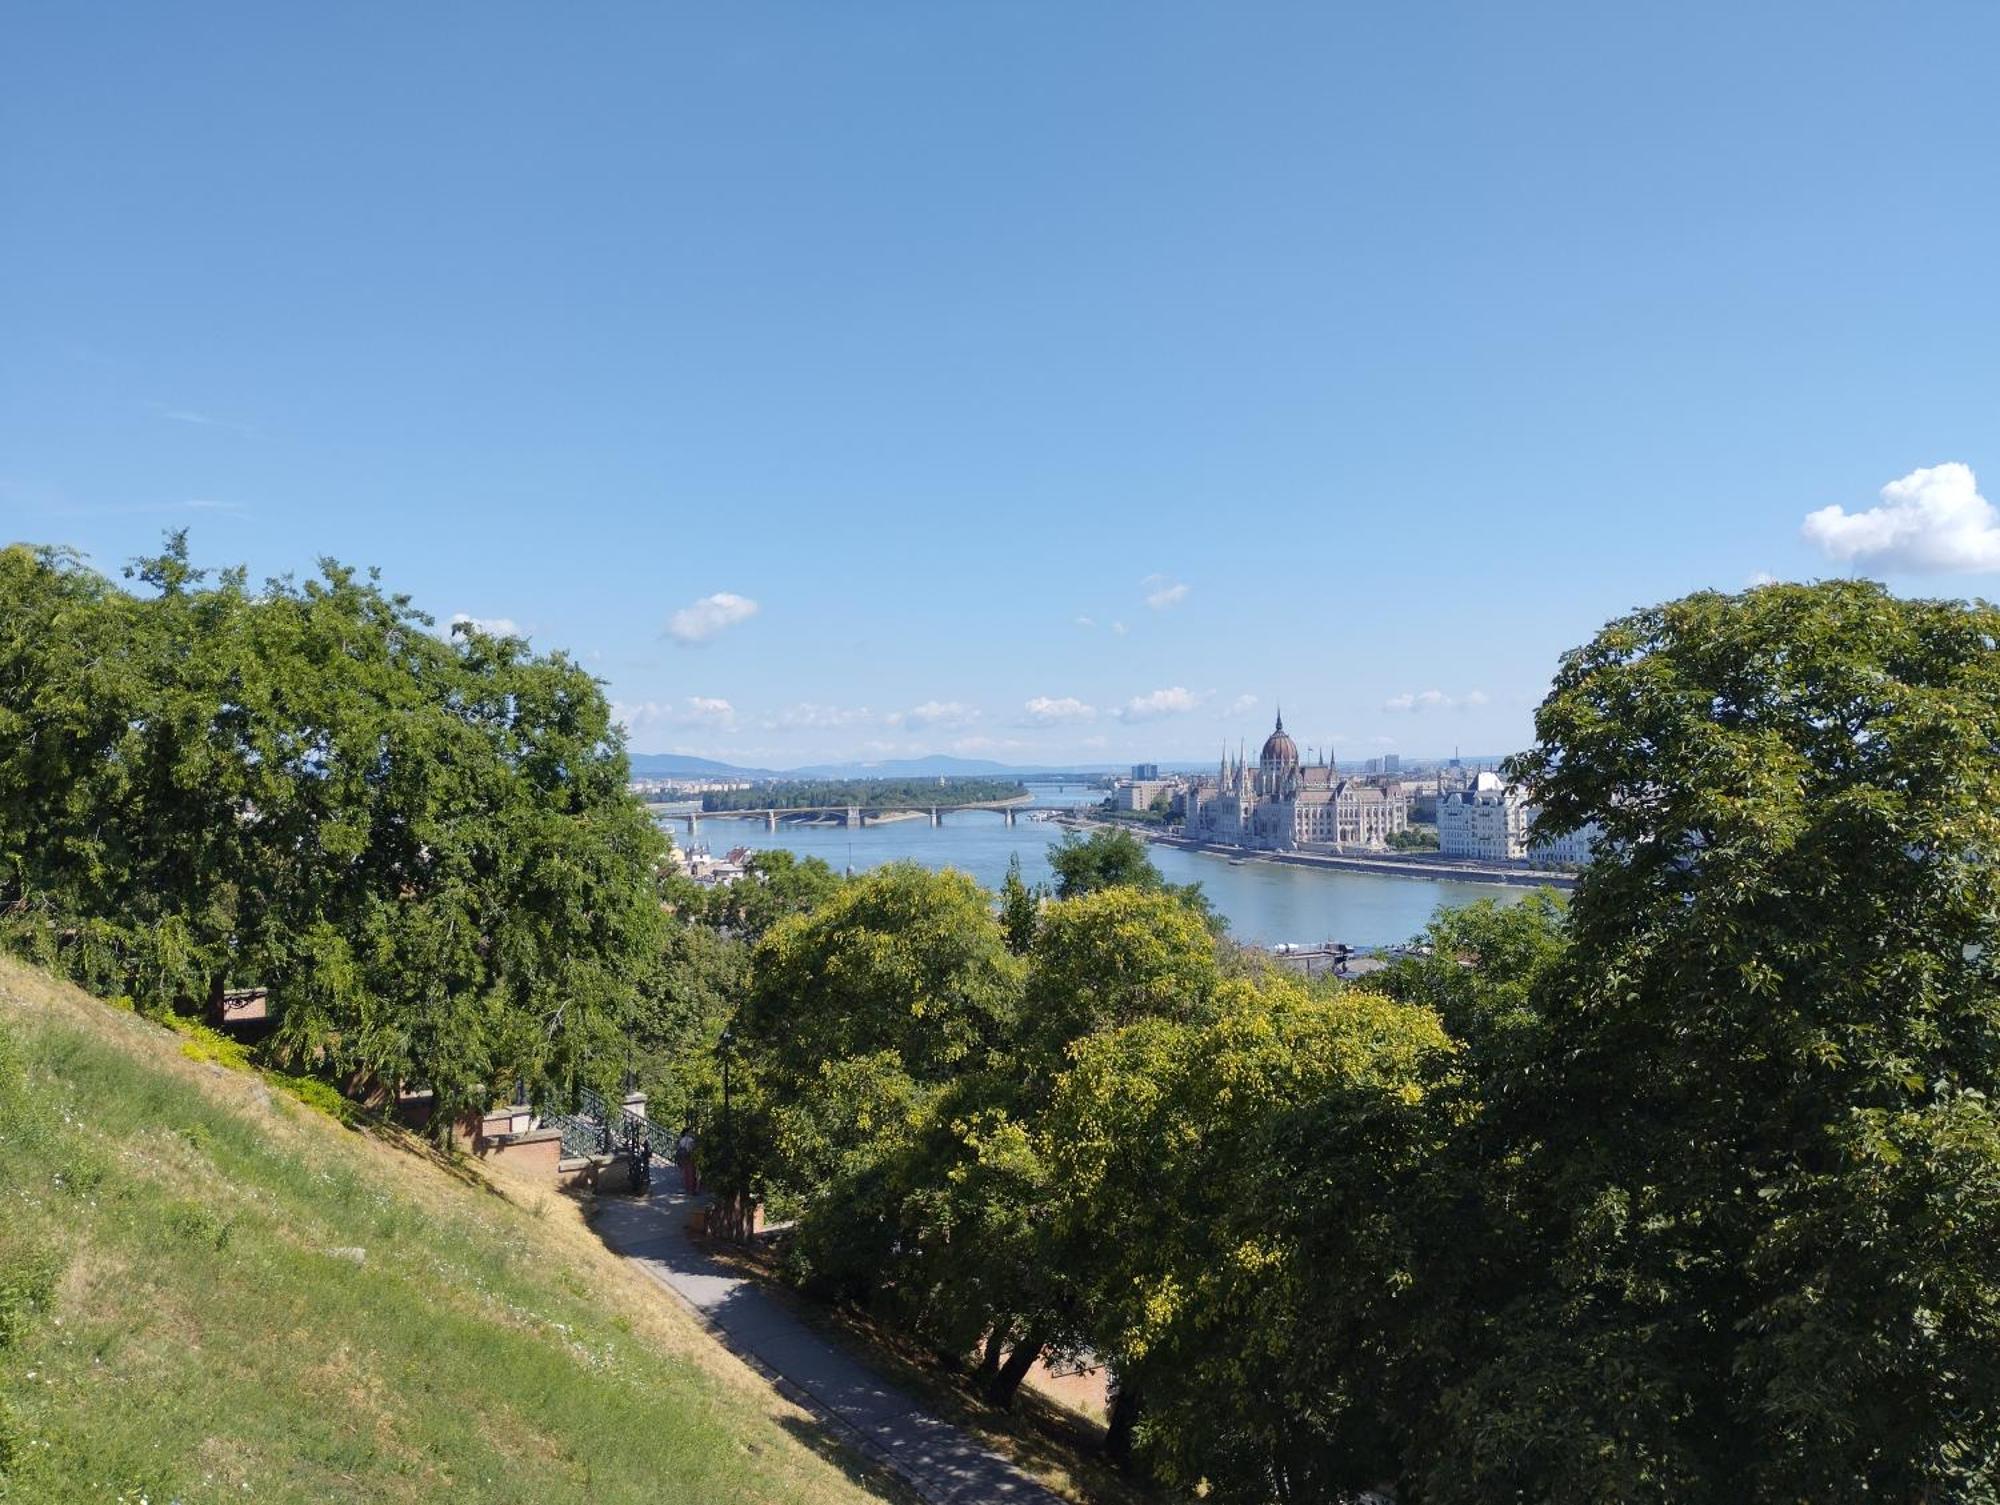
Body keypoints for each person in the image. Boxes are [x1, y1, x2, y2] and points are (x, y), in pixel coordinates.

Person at [674, 1126, 698, 1195]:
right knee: (691, 1172)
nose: (692, 1133)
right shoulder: (690, 1140)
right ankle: (691, 1188)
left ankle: (686, 1187)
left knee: (685, 1172)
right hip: (689, 1157)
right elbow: (691, 1148)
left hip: (682, 1157)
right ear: (687, 1132)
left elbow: (677, 1147)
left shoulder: (682, 1139)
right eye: (690, 1132)